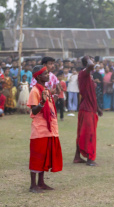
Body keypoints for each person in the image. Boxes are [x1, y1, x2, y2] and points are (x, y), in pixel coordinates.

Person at [27, 65, 62, 193]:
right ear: (39, 76)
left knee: (45, 156)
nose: (48, 75)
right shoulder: (35, 91)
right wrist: (42, 102)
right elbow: (34, 110)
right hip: (39, 129)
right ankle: (33, 185)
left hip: (49, 128)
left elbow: (50, 107)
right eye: (46, 73)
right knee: (37, 156)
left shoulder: (45, 89)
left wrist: (56, 95)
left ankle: (41, 183)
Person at [74, 56, 103, 166]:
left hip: (88, 108)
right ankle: (90, 159)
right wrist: (87, 59)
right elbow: (90, 65)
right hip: (87, 109)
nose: (93, 62)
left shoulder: (88, 75)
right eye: (91, 59)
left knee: (82, 133)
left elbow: (91, 94)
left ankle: (77, 157)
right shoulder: (83, 73)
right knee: (89, 134)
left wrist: (98, 108)